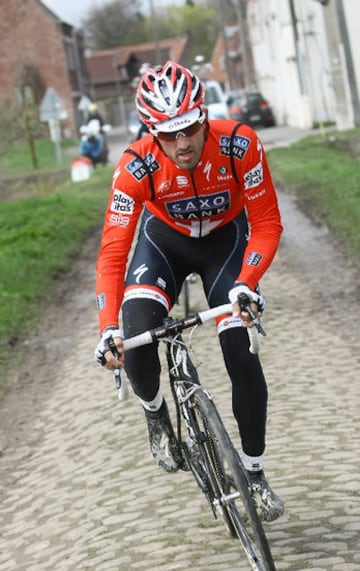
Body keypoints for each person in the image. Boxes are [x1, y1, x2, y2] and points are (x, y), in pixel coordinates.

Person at [94, 61, 284, 521]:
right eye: (167, 134)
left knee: (241, 350)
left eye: (190, 129)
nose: (182, 144)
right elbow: (113, 254)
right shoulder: (135, 167)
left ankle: (254, 475)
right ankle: (157, 415)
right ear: (151, 133)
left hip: (225, 243)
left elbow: (266, 224)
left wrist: (247, 283)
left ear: (203, 116)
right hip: (164, 245)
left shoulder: (240, 144)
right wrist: (106, 328)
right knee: (137, 335)